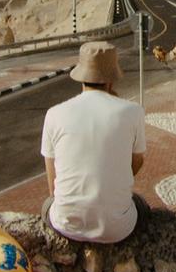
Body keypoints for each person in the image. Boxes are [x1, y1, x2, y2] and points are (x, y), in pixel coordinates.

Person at [40, 41, 148, 243]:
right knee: (140, 203)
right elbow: (137, 161)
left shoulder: (54, 114)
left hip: (66, 225)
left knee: (48, 204)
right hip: (118, 230)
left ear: (81, 77)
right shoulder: (133, 111)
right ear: (111, 81)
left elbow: (52, 186)